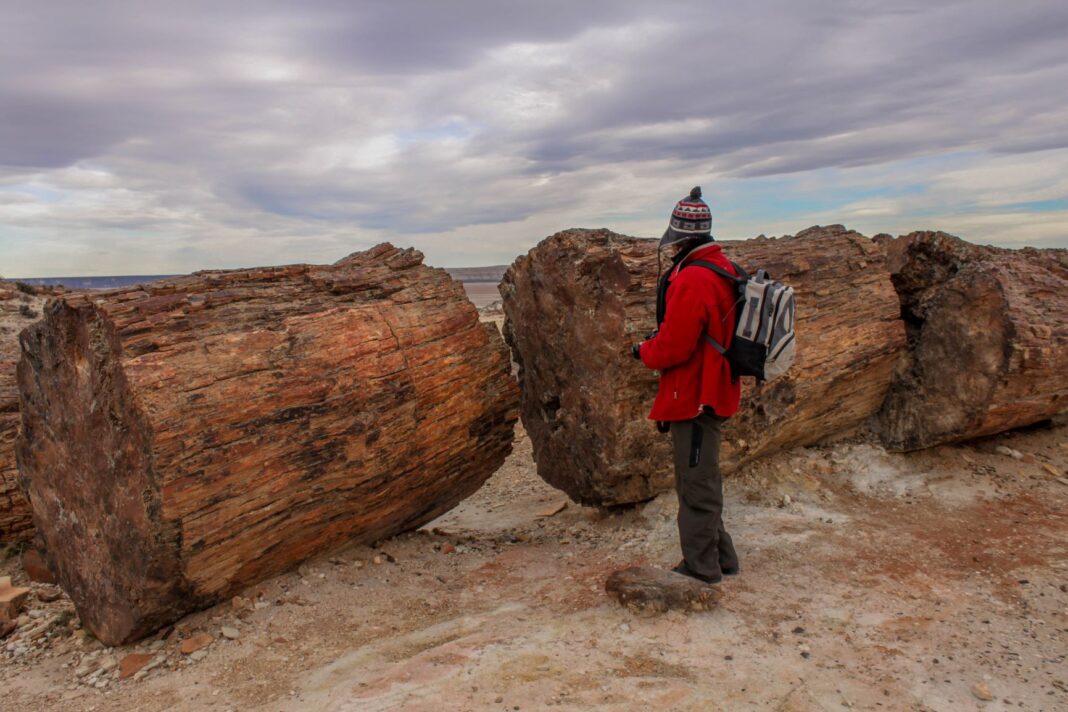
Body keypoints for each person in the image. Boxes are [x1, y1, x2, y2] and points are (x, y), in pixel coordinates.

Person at [631, 186, 742, 584]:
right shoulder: (720, 267)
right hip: (713, 389)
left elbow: (675, 346)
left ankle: (701, 568)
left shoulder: (694, 279)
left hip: (696, 394)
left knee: (695, 483)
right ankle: (722, 558)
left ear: (679, 236)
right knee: (702, 478)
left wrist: (643, 351)